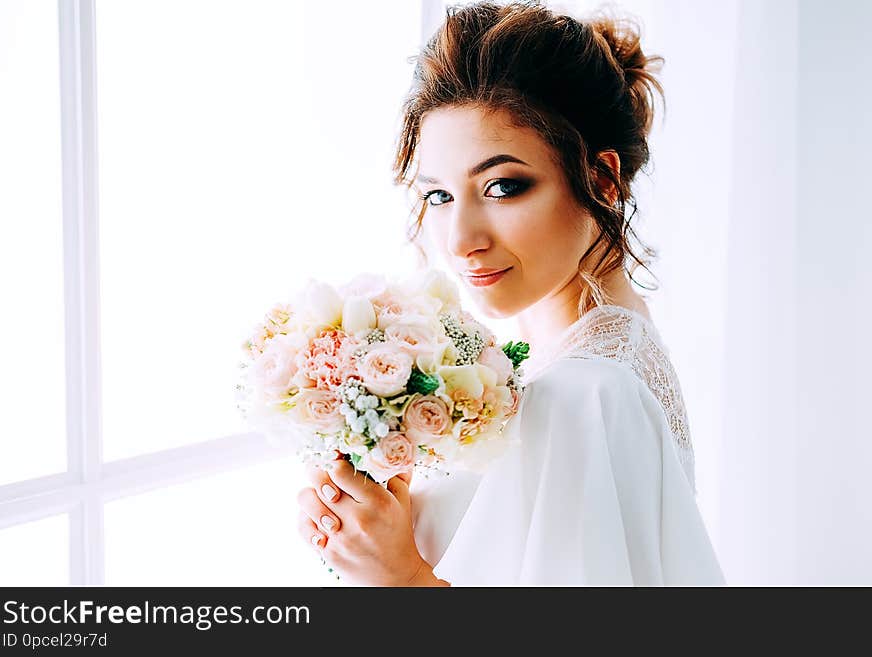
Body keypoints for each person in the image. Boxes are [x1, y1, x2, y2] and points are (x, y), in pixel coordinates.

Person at [295, 0, 725, 586]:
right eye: (440, 195)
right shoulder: (590, 359)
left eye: (501, 186)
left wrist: (405, 578)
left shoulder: (584, 391)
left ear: (602, 179)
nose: (461, 240)